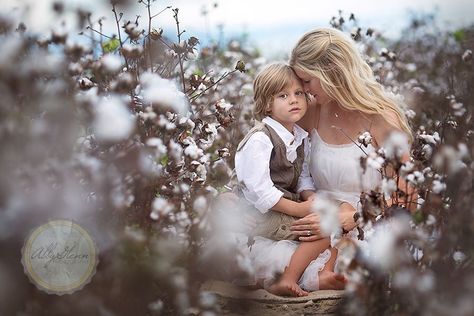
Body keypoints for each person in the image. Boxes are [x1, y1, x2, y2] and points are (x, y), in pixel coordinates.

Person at [288, 27, 415, 241]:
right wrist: (237, 192)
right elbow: (270, 153)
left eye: (308, 81)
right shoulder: (312, 111)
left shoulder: (381, 118)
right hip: (315, 231)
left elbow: (408, 195)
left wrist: (353, 218)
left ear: (331, 70)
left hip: (370, 233)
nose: (304, 89)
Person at [234, 63, 340, 296]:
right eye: (283, 95)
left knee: (335, 220)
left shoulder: (299, 136)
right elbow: (259, 190)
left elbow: (302, 176)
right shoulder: (260, 139)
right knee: (323, 231)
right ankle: (295, 277)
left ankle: (325, 272)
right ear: (267, 104)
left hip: (285, 205)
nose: (294, 100)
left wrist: (310, 198)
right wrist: (300, 209)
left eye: (298, 93)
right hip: (261, 213)